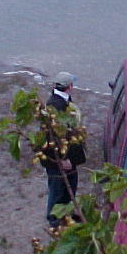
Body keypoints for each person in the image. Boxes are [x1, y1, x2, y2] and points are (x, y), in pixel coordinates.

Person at [41, 72, 86, 227]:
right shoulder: (56, 106)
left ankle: (66, 216)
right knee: (58, 190)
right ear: (70, 87)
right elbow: (54, 136)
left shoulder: (58, 102)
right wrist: (63, 158)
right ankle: (54, 221)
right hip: (60, 159)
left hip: (66, 158)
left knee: (69, 188)